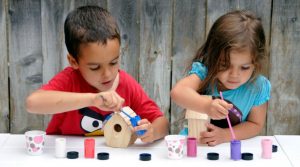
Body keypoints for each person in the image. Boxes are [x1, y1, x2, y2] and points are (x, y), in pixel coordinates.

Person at [26, 6, 169, 143]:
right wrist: (93, 100)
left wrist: (152, 132)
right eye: (95, 67)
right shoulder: (69, 80)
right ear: (73, 61)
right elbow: (32, 103)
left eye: (113, 63)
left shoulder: (126, 84)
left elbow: (162, 123)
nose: (107, 74)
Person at [171, 10, 271, 146]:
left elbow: (255, 124)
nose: (234, 75)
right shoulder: (205, 72)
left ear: (256, 63)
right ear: (213, 57)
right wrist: (206, 105)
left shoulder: (257, 86)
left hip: (229, 150)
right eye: (224, 65)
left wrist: (225, 135)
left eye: (245, 67)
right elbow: (178, 92)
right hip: (195, 145)